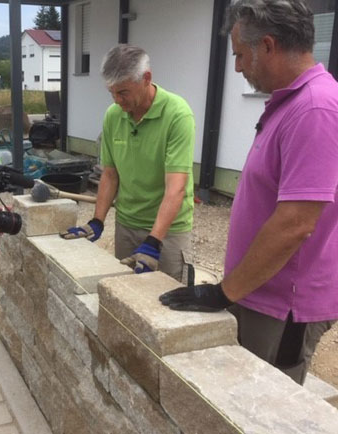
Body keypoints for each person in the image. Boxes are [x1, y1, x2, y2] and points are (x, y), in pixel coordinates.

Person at [160, 0, 338, 385]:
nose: (238, 67)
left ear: (269, 46)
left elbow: (295, 223)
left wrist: (224, 292)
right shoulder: (290, 103)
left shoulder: (314, 109)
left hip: (282, 305)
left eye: (241, 55)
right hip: (261, 294)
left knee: (264, 403)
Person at [61, 44, 195, 282]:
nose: (117, 100)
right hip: (127, 226)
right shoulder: (114, 115)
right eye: (111, 93)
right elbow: (110, 175)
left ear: (146, 78)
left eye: (123, 92)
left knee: (167, 305)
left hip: (169, 232)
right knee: (126, 297)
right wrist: (97, 220)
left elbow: (176, 188)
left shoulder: (177, 115)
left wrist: (154, 242)